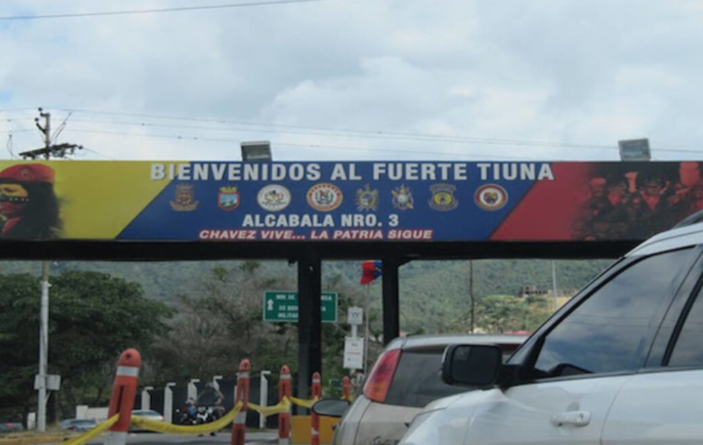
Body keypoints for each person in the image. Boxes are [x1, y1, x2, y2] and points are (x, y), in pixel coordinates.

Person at [0, 164, 60, 239]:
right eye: (1, 192)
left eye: (9, 191)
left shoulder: (46, 233)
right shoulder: (7, 225)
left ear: (35, 195)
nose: (1, 198)